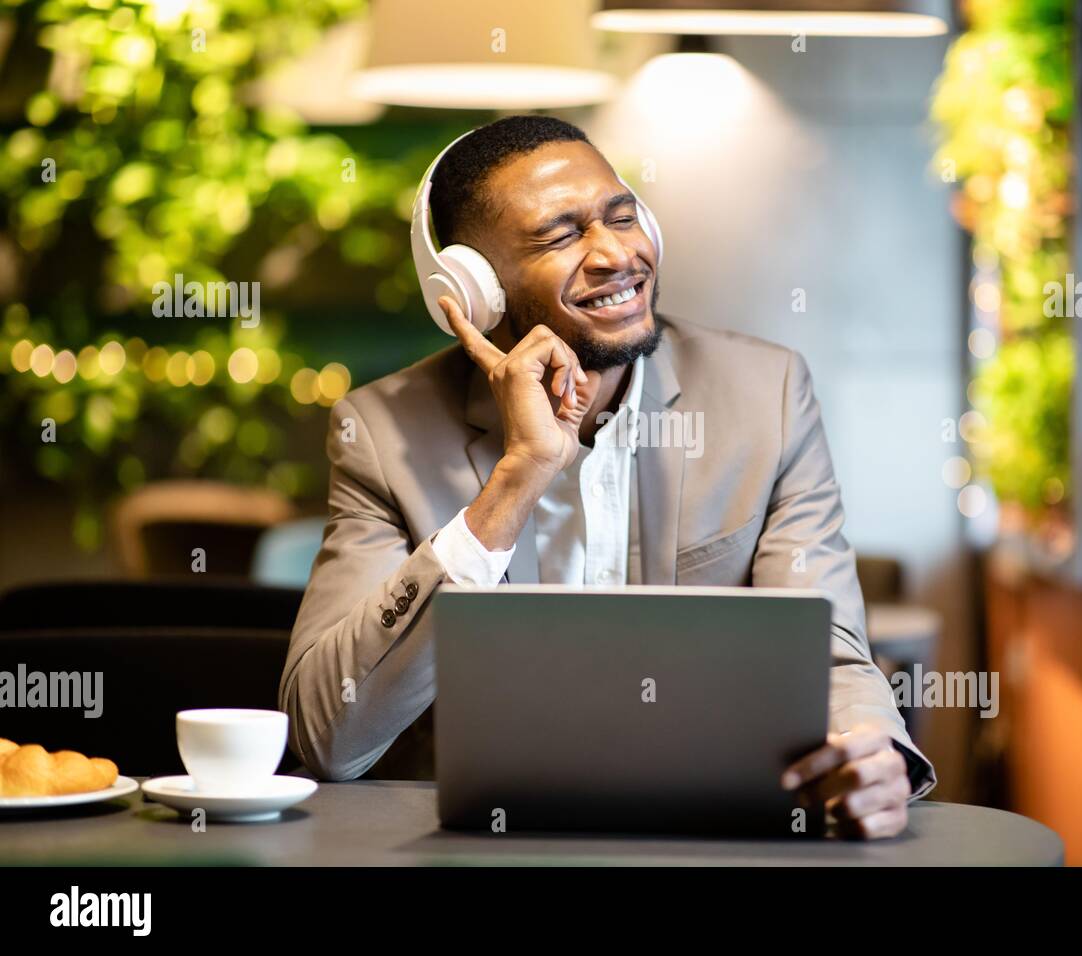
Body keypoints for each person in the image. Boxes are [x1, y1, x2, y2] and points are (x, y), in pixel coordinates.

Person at [279, 115, 936, 839]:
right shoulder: (384, 433)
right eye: (561, 237)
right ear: (471, 291)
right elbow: (324, 737)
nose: (616, 254)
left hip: (713, 834)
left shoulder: (766, 397)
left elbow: (829, 653)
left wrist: (872, 753)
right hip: (482, 846)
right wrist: (517, 479)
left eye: (624, 219)